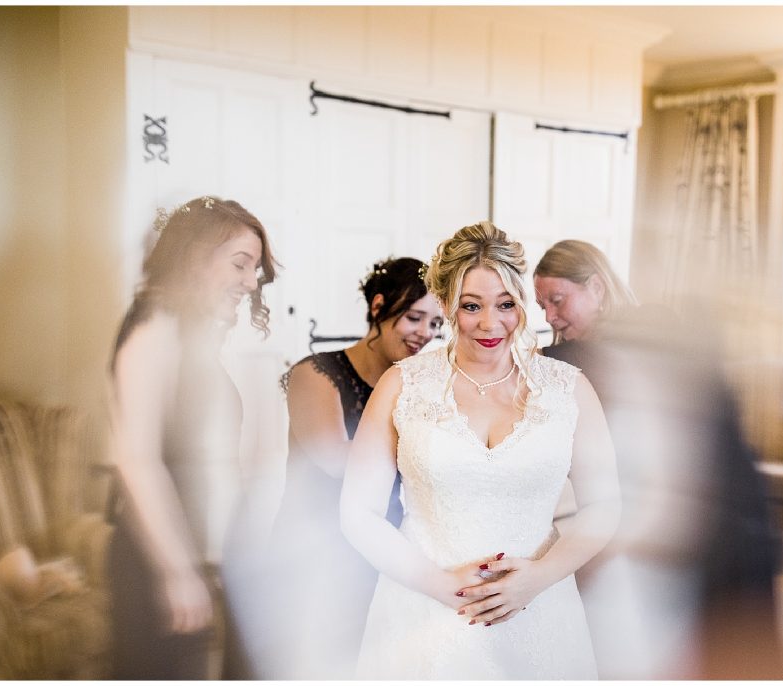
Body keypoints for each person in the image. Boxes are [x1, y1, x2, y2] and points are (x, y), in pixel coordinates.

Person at [339, 221, 621, 679]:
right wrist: (443, 586)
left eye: (505, 304)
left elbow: (605, 505)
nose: (491, 324)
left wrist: (538, 578)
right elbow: (357, 512)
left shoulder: (568, 389)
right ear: (448, 304)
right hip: (421, 610)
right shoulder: (402, 385)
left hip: (540, 613)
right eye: (472, 306)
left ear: (521, 304)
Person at [533, 240, 783, 679]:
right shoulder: (568, 358)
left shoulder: (653, 330)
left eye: (558, 301)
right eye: (542, 307)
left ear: (596, 286)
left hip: (715, 526)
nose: (552, 317)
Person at [106, 195, 277, 679]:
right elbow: (136, 459)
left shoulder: (195, 334)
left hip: (211, 553)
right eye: (240, 264)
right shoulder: (153, 326)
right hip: (153, 557)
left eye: (255, 269)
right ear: (195, 257)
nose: (250, 281)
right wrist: (175, 570)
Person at [257, 257, 443, 678]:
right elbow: (334, 459)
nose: (425, 335)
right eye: (415, 318)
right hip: (313, 554)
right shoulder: (316, 373)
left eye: (435, 324)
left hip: (385, 548)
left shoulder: (419, 386)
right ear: (378, 307)